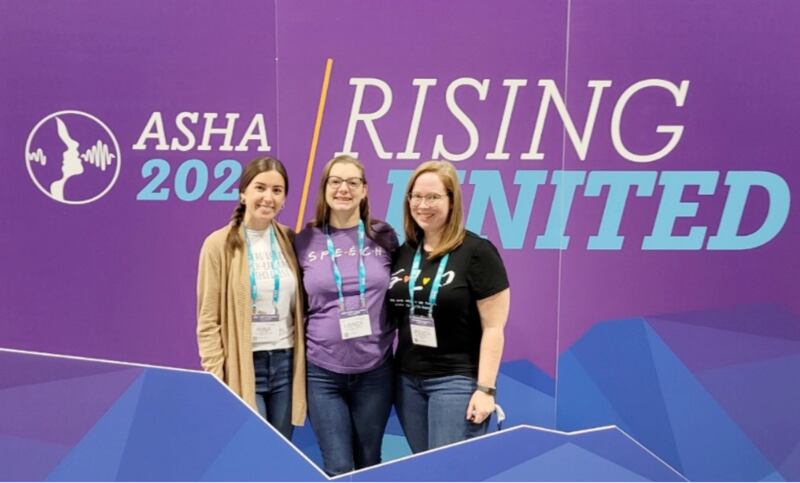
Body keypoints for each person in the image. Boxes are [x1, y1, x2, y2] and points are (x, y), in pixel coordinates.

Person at [388, 160, 511, 453]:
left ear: (452, 201)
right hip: (407, 381)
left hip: (455, 382)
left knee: (449, 473)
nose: (423, 205)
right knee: (425, 468)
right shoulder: (404, 252)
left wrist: (485, 390)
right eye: (416, 196)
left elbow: (494, 328)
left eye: (433, 197)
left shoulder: (477, 252)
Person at [294, 155, 398, 476]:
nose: (344, 189)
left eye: (353, 182)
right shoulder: (304, 240)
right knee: (338, 466)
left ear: (365, 190)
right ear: (324, 189)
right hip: (323, 373)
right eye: (335, 181)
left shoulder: (385, 236)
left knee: (369, 463)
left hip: (375, 372)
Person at [197, 156, 306, 439]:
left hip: (286, 362)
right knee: (254, 448)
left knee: (282, 454)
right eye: (260, 187)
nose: (268, 197)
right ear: (243, 192)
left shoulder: (290, 240)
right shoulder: (218, 244)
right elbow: (208, 320)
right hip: (245, 364)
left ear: (284, 199)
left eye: (277, 190)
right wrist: (215, 376)